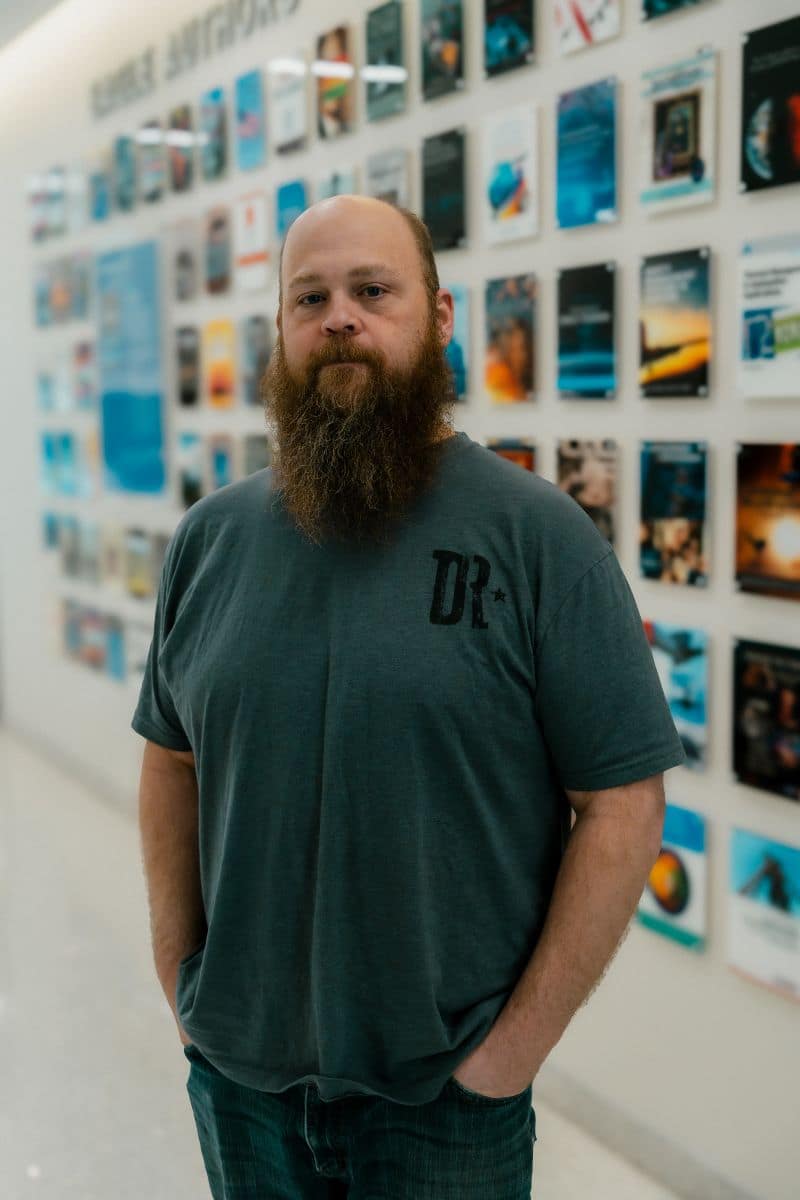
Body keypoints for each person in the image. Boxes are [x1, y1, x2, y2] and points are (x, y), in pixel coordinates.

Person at [133, 194, 686, 1198]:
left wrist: (505, 1059)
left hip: (444, 1108)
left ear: (438, 317)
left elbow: (622, 802)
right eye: (310, 298)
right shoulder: (211, 540)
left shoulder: (537, 538)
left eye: (372, 290)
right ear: (281, 328)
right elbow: (170, 760)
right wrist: (181, 982)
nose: (339, 317)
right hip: (239, 1082)